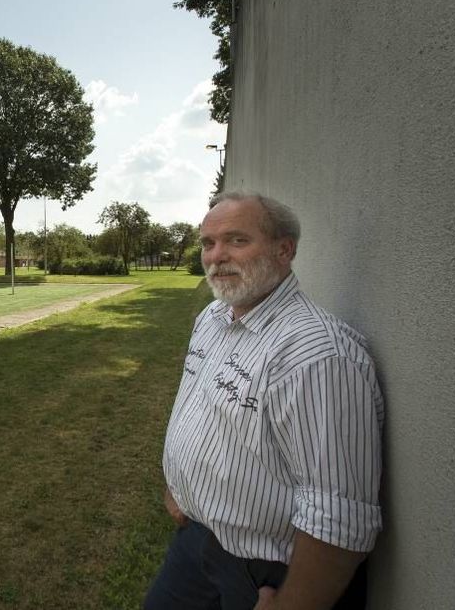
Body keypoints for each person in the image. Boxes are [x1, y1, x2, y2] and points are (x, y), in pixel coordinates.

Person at [144, 192, 384, 610]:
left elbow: (338, 517)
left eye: (237, 240)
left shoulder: (316, 355)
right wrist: (180, 485)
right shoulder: (214, 318)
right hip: (197, 542)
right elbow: (201, 408)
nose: (216, 256)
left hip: (265, 573)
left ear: (283, 250)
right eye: (208, 243)